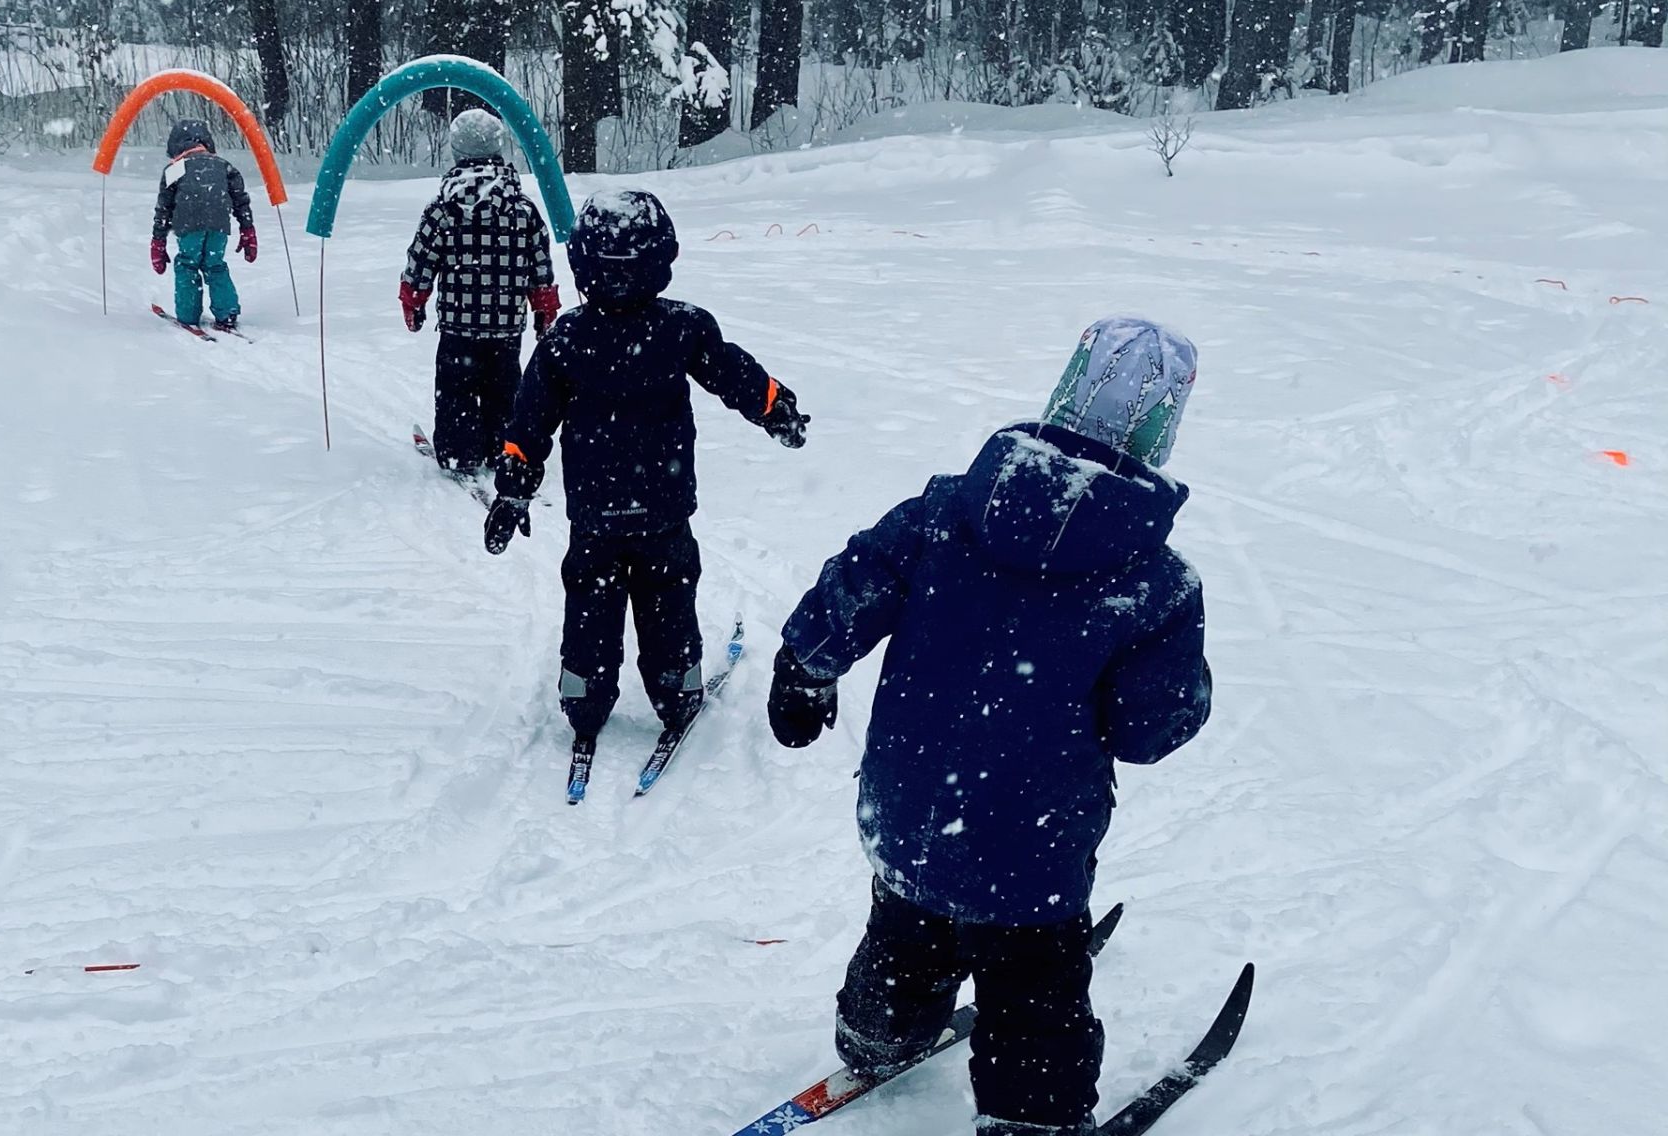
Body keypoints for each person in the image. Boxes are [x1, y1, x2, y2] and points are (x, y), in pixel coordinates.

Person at [766, 316, 1212, 1136]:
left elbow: (853, 585)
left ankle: (878, 1029)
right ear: (1164, 430)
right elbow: (1149, 731)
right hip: (1030, 845)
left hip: (910, 807)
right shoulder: (1153, 584)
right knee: (1033, 990)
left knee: (908, 922)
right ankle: (1030, 1117)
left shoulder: (946, 512)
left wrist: (805, 666)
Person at [486, 189, 808, 745]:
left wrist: (514, 486)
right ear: (662, 261)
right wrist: (772, 403)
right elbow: (733, 374)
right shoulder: (682, 329)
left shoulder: (567, 339)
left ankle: (584, 697)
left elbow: (529, 423)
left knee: (591, 602)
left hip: (596, 514)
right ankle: (676, 690)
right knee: (669, 600)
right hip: (663, 508)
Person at [400, 109, 561, 477]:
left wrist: (414, 298)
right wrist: (544, 309)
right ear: (499, 149)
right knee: (504, 392)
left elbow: (421, 260)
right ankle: (499, 447)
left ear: (456, 152)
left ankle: (459, 452)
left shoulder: (442, 211)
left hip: (459, 326)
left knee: (456, 392)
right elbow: (540, 264)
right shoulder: (523, 210)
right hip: (506, 324)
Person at [149, 118, 257, 332]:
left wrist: (158, 240)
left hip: (188, 226)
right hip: (219, 226)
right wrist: (247, 228)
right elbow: (240, 200)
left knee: (187, 265)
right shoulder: (224, 166)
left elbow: (164, 208)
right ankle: (227, 313)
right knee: (215, 265)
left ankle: (188, 315)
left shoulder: (175, 169)